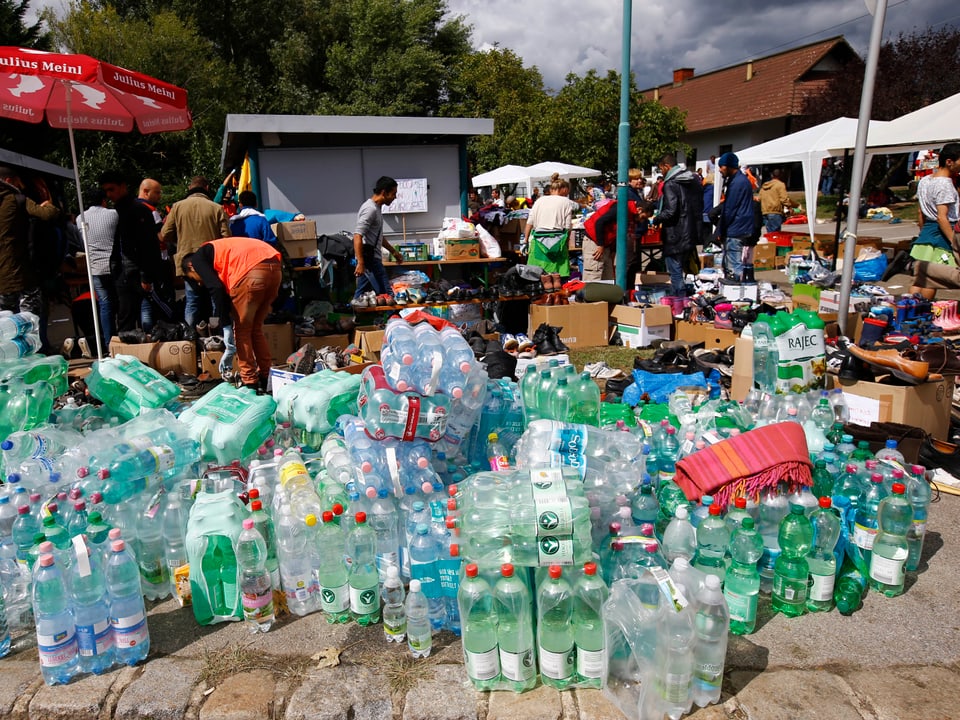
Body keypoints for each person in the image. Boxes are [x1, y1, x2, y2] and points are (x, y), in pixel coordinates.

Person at [182, 237, 281, 392]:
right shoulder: (219, 250)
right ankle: (266, 377)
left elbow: (215, 288)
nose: (199, 283)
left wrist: (226, 326)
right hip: (274, 269)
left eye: (194, 279)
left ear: (191, 267)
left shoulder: (197, 258)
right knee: (255, 329)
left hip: (250, 272)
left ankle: (250, 382)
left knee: (242, 330)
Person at [160, 176, 231, 330]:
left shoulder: (177, 207)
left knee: (192, 300)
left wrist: (180, 240)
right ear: (206, 188)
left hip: (188, 263)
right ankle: (217, 337)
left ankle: (189, 339)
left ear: (190, 189)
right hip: (212, 262)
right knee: (215, 299)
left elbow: (165, 234)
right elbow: (227, 237)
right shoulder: (216, 208)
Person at [99, 171, 162, 335]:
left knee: (137, 319)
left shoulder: (137, 210)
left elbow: (148, 245)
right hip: (123, 273)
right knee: (126, 319)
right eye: (106, 191)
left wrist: (146, 276)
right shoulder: (118, 211)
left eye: (112, 189)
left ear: (122, 187)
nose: (109, 194)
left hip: (134, 273)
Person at [0, 165, 60, 318]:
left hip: (2, 280)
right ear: (8, 181)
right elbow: (47, 214)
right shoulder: (17, 199)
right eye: (18, 183)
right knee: (30, 320)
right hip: (20, 274)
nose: (20, 187)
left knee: (6, 325)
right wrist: (49, 203)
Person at [909, 143, 960, 298]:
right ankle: (921, 311)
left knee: (920, 279)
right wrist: (954, 242)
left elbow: (920, 212)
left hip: (927, 232)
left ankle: (908, 311)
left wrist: (923, 231)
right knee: (933, 279)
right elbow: (942, 217)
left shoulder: (924, 181)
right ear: (949, 162)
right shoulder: (945, 184)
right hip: (942, 234)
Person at [651, 153, 702, 297]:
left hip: (675, 235)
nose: (661, 172)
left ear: (666, 166)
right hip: (690, 232)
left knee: (676, 272)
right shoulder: (693, 181)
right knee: (683, 271)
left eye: (661, 169)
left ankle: (679, 302)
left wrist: (656, 219)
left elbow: (670, 211)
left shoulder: (671, 183)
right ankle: (685, 299)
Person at [353, 176, 403, 302]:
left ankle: (355, 318)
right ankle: (394, 319)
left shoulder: (376, 208)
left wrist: (394, 252)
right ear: (384, 192)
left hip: (371, 259)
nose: (395, 197)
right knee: (387, 294)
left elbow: (378, 236)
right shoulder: (370, 209)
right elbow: (357, 235)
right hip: (370, 260)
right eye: (393, 194)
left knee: (361, 294)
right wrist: (361, 263)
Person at [83, 189, 120, 352]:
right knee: (121, 303)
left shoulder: (80, 218)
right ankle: (123, 338)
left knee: (105, 304)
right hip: (114, 266)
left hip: (95, 268)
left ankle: (107, 342)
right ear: (104, 200)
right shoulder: (113, 214)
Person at [524, 173, 578, 282]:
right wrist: (566, 245)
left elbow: (530, 222)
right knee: (559, 277)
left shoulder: (539, 200)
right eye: (567, 191)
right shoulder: (566, 202)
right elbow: (567, 227)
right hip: (558, 242)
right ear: (563, 189)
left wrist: (525, 240)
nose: (567, 194)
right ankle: (558, 296)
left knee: (537, 275)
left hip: (538, 241)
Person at [716, 152, 755, 282]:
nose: (720, 170)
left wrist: (721, 229)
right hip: (740, 226)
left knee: (734, 264)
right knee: (733, 261)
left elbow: (730, 209)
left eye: (721, 166)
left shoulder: (737, 183)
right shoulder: (739, 180)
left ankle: (737, 289)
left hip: (736, 228)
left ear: (728, 166)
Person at [758, 168, 793, 233]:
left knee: (770, 233)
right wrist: (789, 207)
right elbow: (784, 198)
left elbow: (759, 198)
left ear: (772, 175)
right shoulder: (780, 185)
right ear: (781, 175)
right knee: (776, 234)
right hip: (775, 212)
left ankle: (770, 243)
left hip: (765, 212)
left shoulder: (764, 186)